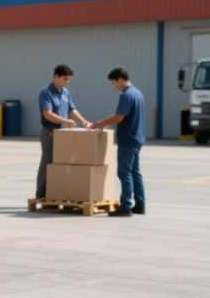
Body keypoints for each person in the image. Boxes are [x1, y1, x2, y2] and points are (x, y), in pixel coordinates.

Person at [90, 67, 146, 217]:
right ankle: (140, 204)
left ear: (120, 79)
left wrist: (99, 124)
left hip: (128, 138)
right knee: (135, 172)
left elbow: (119, 117)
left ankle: (126, 206)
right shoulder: (138, 93)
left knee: (124, 172)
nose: (114, 87)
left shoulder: (126, 95)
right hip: (138, 137)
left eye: (114, 83)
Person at [36, 65, 90, 199]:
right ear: (56, 77)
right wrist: (65, 121)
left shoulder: (66, 92)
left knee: (63, 162)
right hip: (50, 132)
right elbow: (47, 114)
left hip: (64, 132)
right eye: (65, 79)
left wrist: (84, 122)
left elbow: (72, 110)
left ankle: (57, 192)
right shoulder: (46, 93)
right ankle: (41, 194)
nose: (67, 82)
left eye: (69, 79)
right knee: (48, 161)